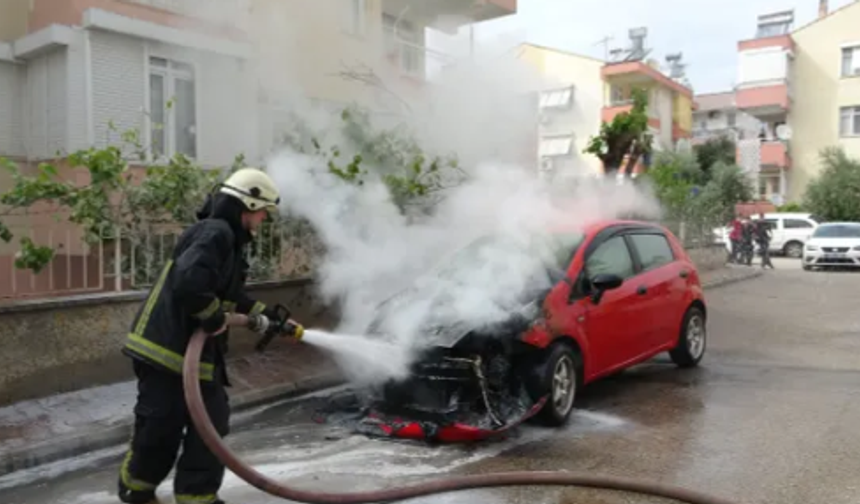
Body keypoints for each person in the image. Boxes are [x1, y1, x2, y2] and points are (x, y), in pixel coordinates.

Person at [117, 167, 303, 504]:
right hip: (165, 349)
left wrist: (265, 315)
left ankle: (197, 496)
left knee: (211, 424)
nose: (263, 220)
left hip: (198, 358)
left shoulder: (227, 243)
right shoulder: (214, 233)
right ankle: (137, 489)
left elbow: (228, 295)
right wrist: (213, 315)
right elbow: (190, 283)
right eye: (262, 212)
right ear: (247, 204)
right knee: (161, 428)